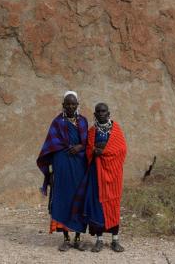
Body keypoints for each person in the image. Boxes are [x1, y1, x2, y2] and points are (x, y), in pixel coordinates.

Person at [36, 91, 88, 251]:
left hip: (79, 166)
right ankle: (66, 238)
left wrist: (80, 146)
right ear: (63, 105)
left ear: (78, 105)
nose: (71, 106)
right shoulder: (57, 122)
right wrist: (50, 172)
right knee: (63, 199)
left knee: (79, 200)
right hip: (61, 166)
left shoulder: (83, 121)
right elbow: (49, 147)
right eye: (68, 104)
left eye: (74, 104)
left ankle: (78, 238)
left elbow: (87, 142)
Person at [74, 102, 127, 252]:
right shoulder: (92, 132)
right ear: (95, 114)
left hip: (113, 174)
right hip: (96, 173)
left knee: (113, 205)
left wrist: (103, 152)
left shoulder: (116, 130)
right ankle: (99, 240)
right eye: (98, 112)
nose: (101, 114)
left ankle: (115, 240)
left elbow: (121, 150)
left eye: (104, 111)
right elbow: (89, 150)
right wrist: (95, 152)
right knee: (97, 205)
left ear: (108, 113)